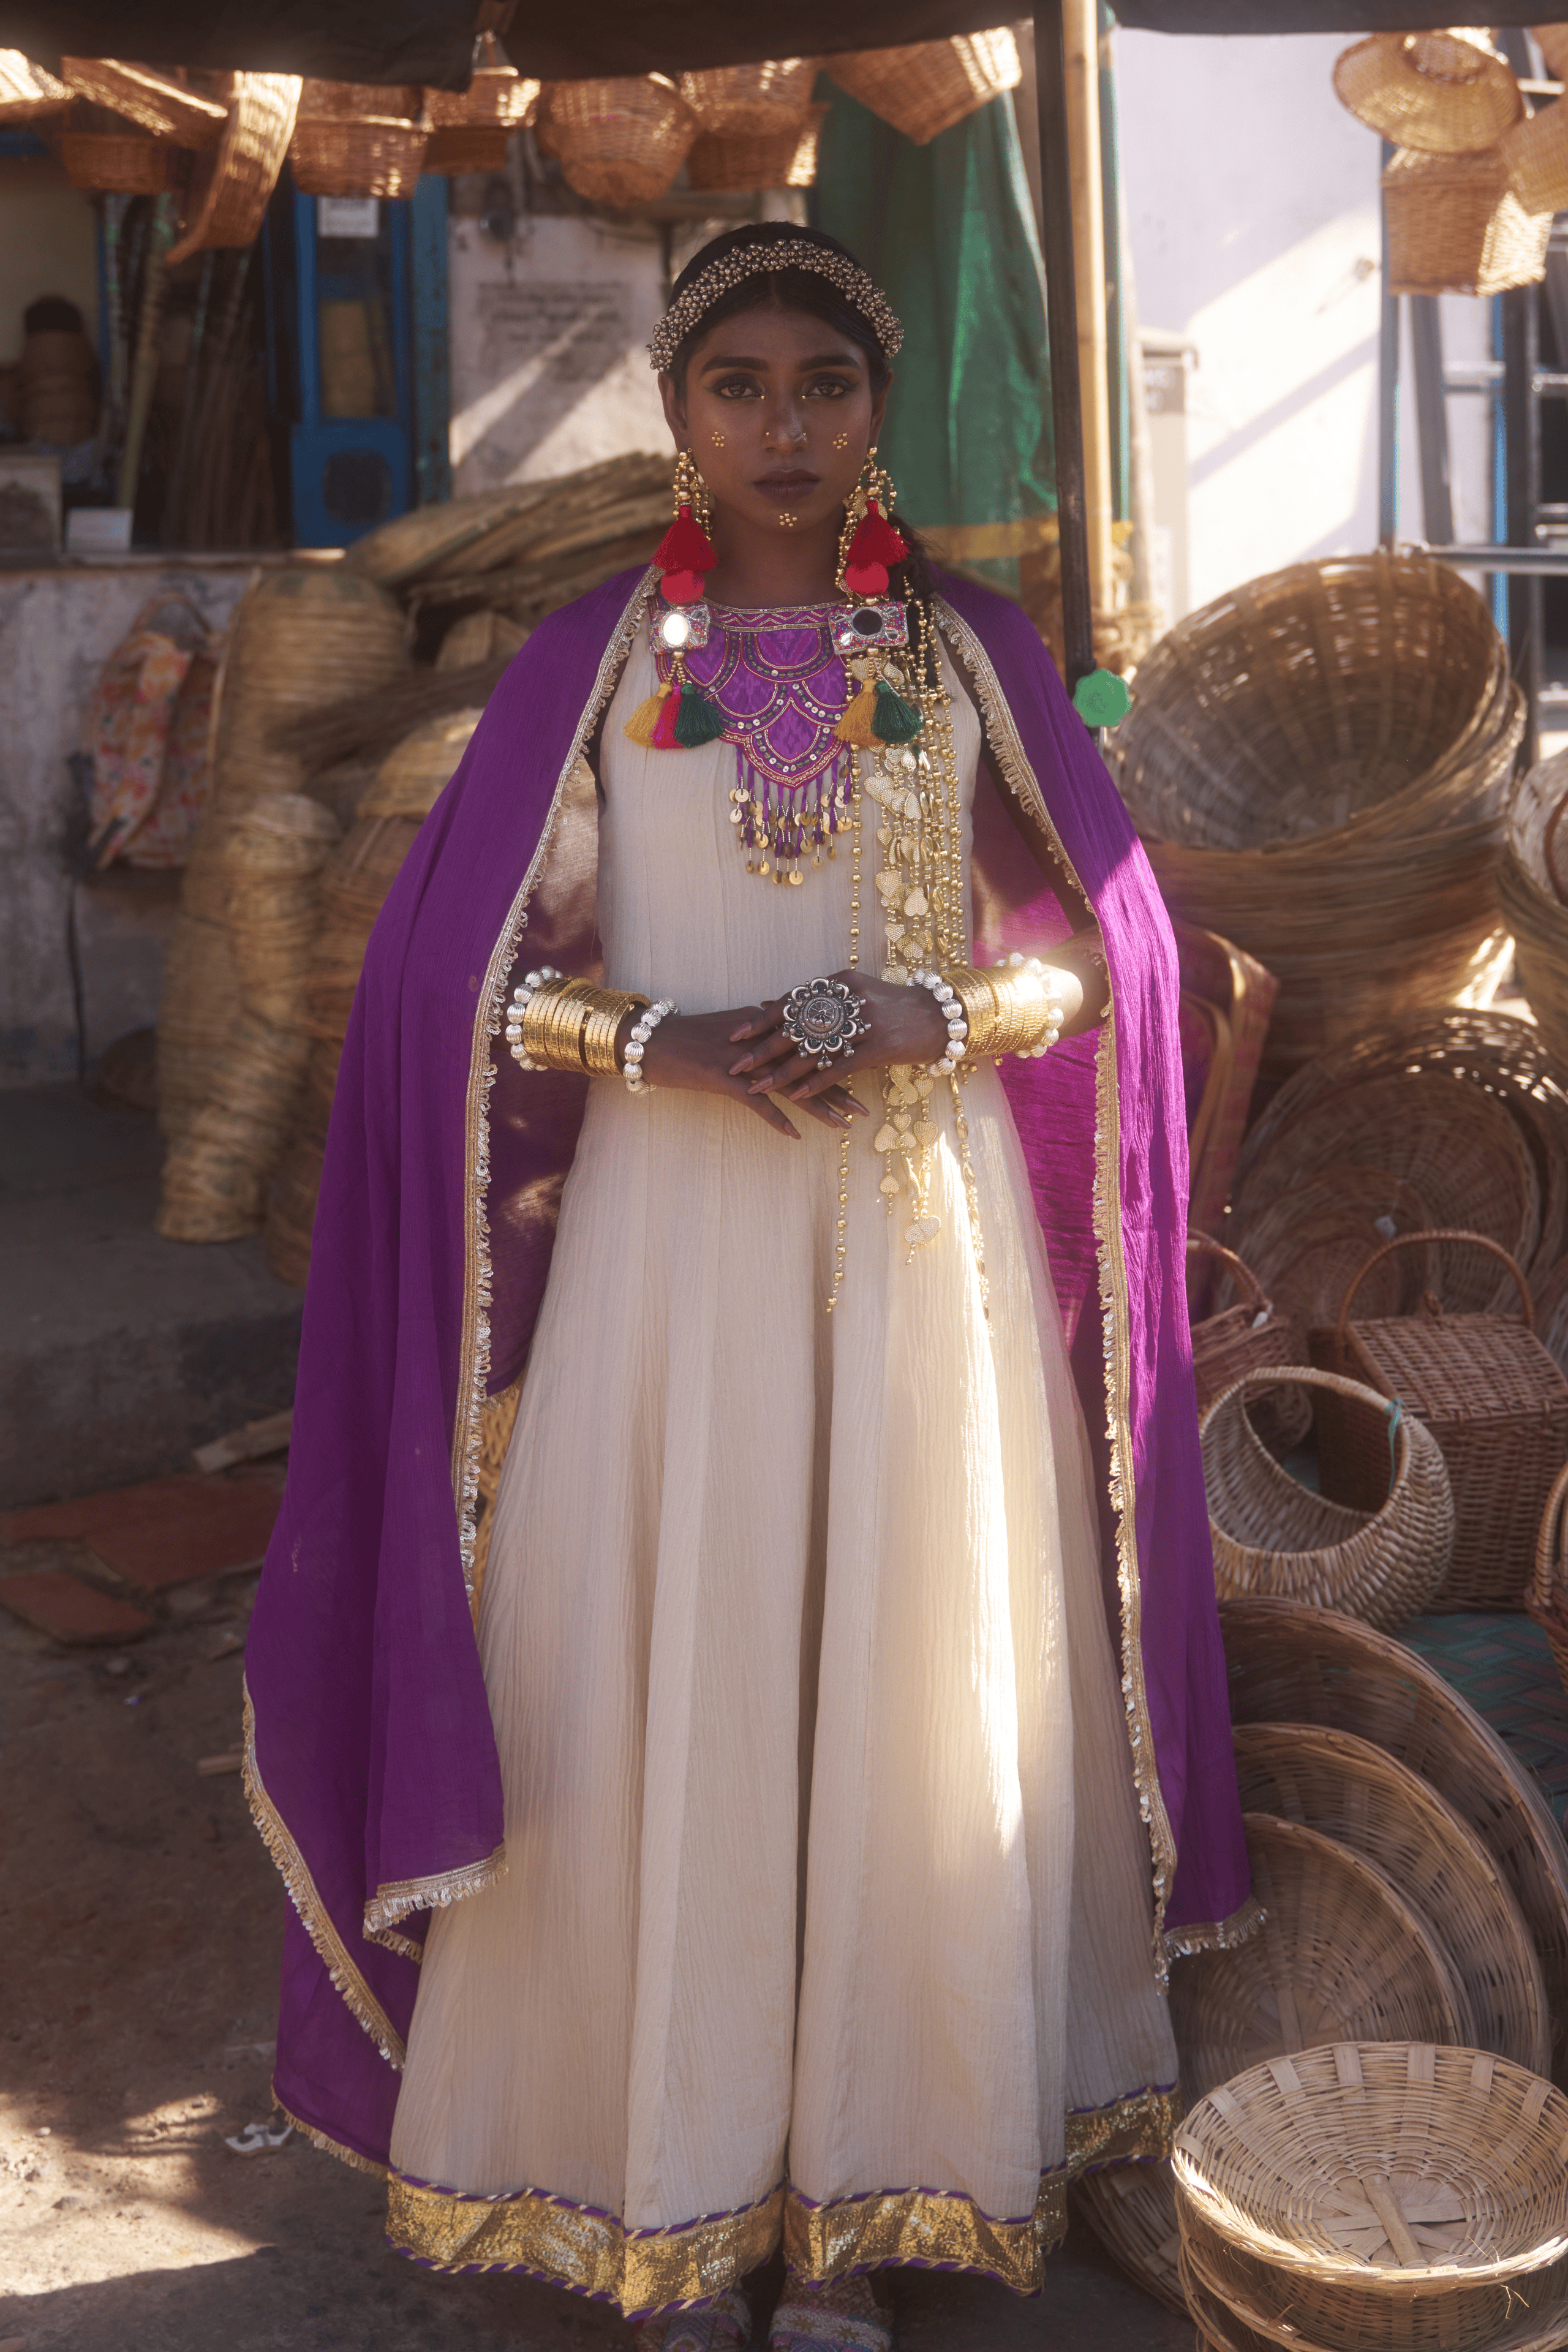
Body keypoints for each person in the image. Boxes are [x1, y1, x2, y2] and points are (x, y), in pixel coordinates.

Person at [242, 225, 1254, 2352]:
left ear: (876, 414)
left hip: (922, 1238)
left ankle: (883, 2209)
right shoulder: (592, 660)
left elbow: (1122, 965)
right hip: (668, 1251)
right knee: (668, 1686)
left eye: (825, 386)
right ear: (676, 414)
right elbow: (452, 987)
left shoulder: (971, 652)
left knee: (907, 1690)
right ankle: (679, 2189)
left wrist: (949, 1018)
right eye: (742, 387)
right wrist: (652, 1042)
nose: (785, 426)